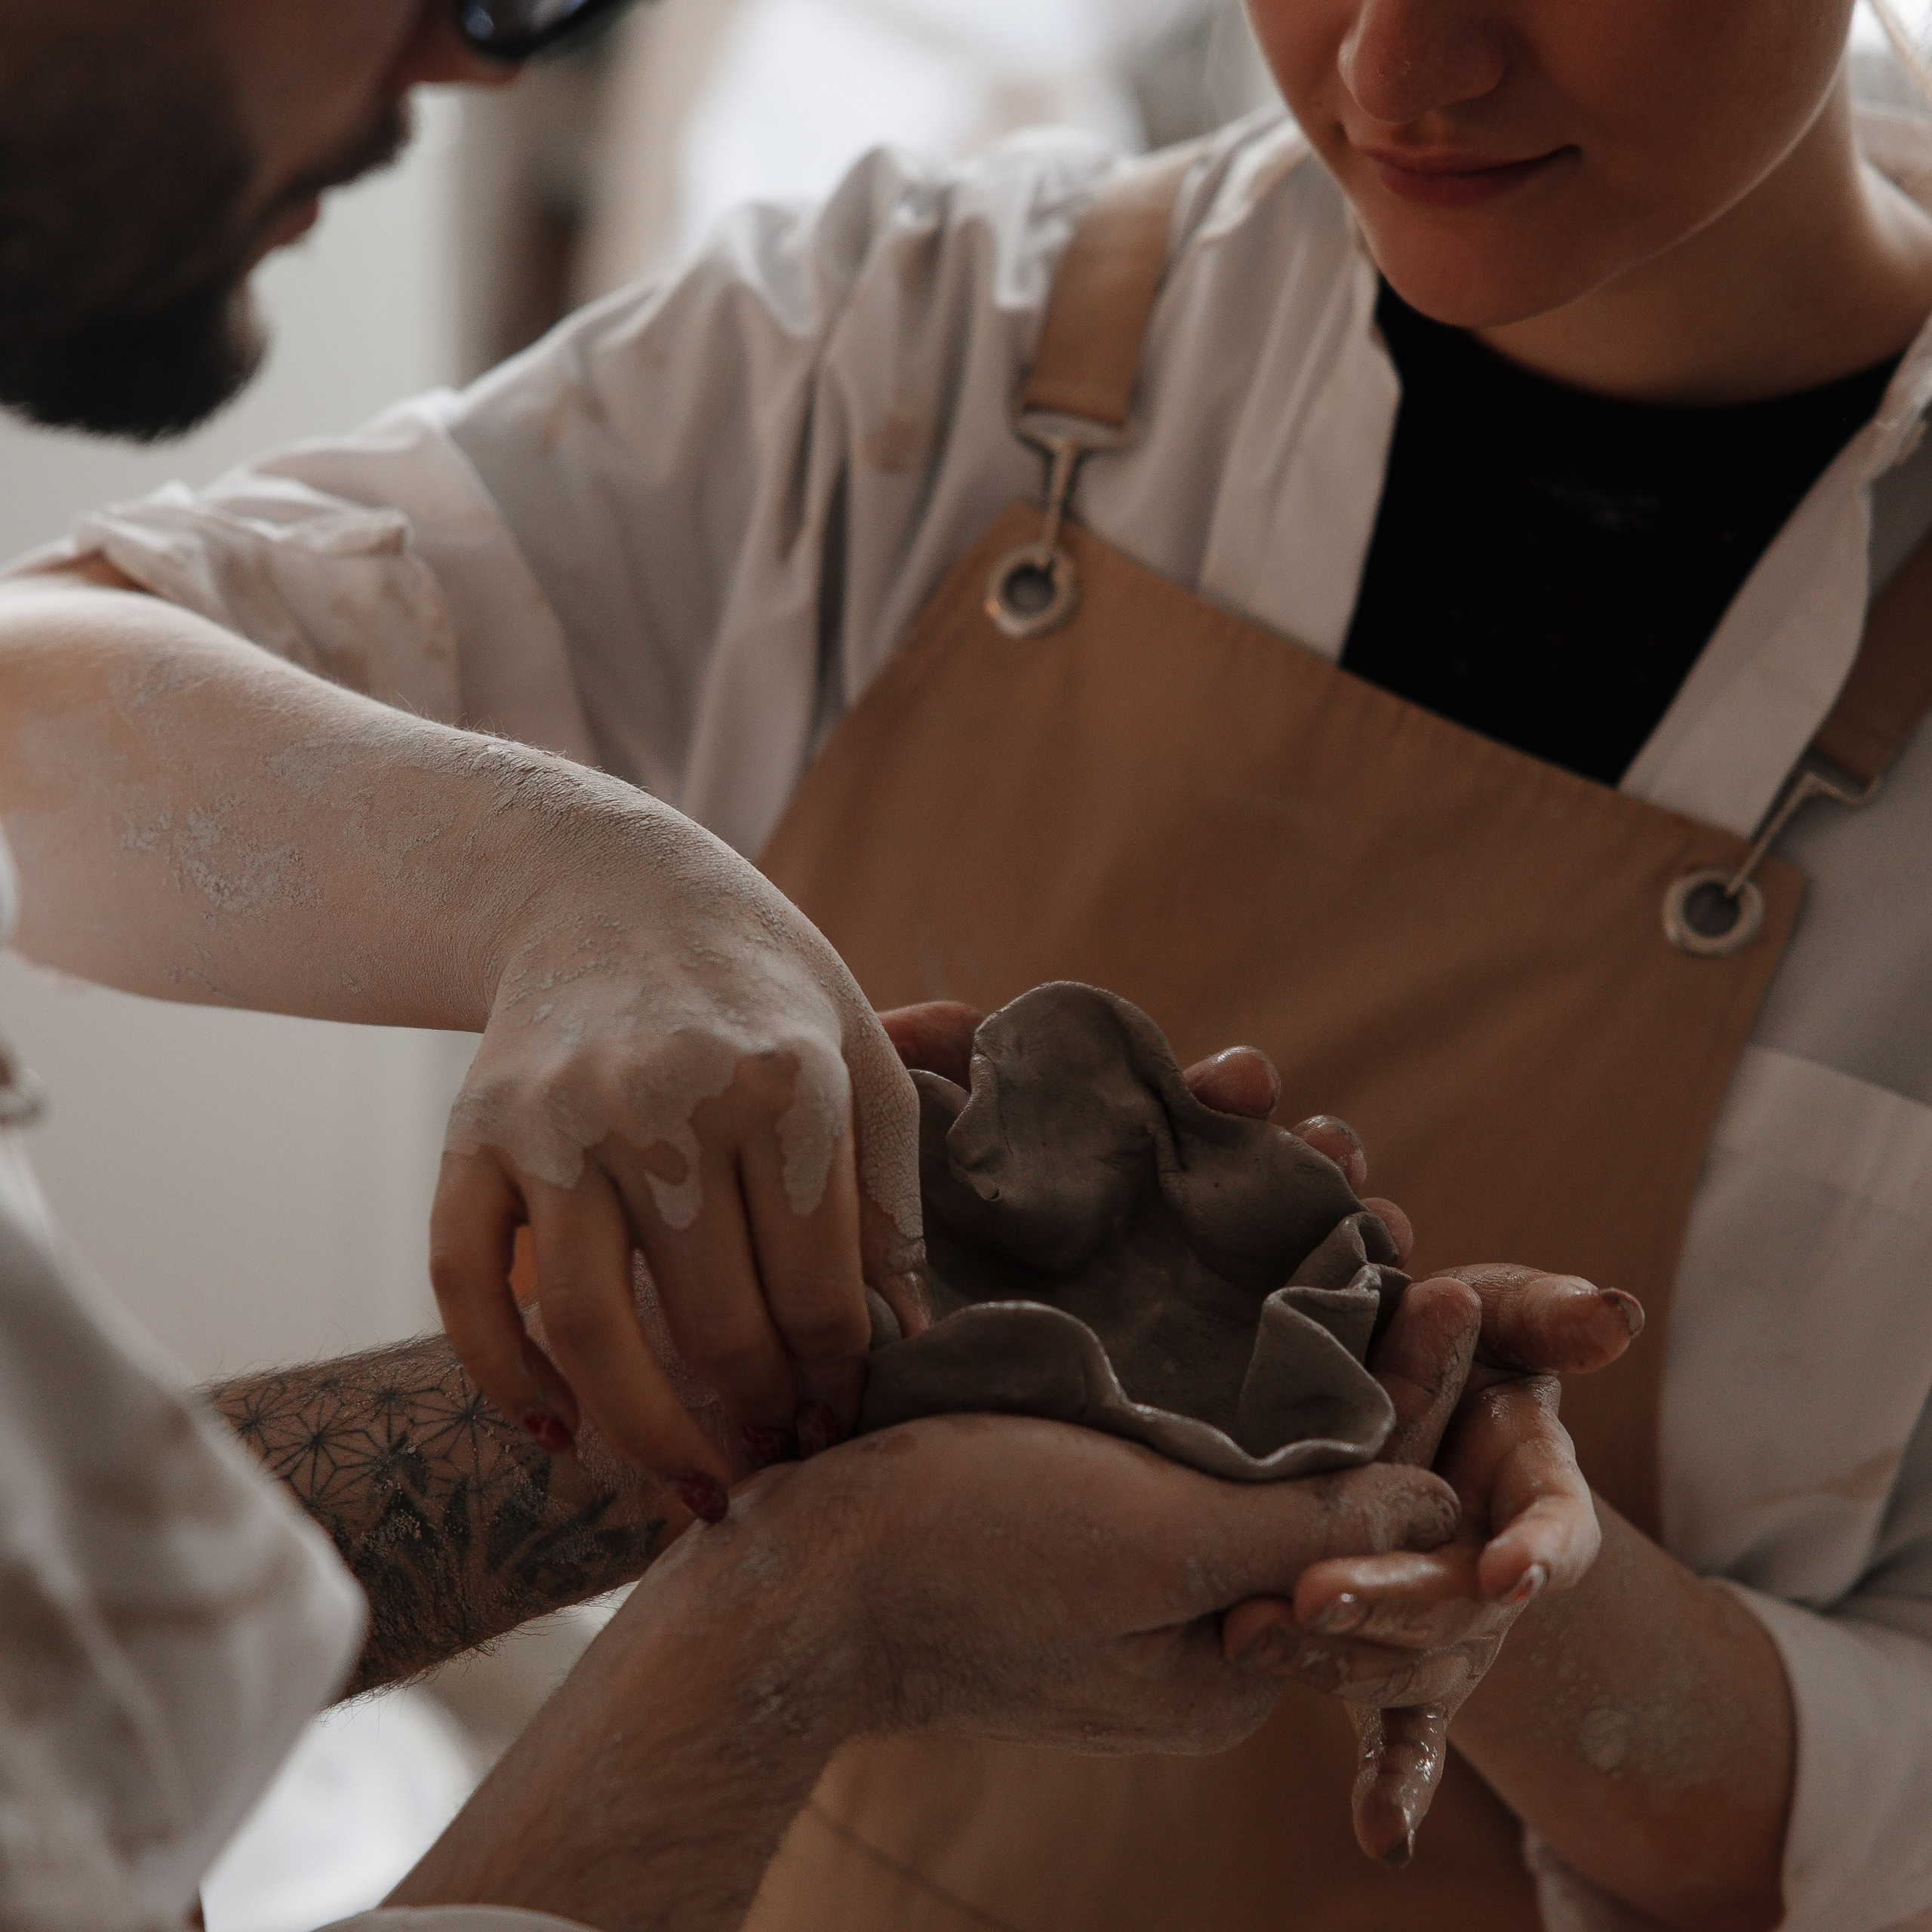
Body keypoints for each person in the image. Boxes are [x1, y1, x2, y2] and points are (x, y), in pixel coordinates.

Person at [33, 0, 1932, 1926]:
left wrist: (1525, 1604)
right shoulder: (950, 337)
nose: (1394, 73)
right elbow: (35, 709)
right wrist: (559, 878)